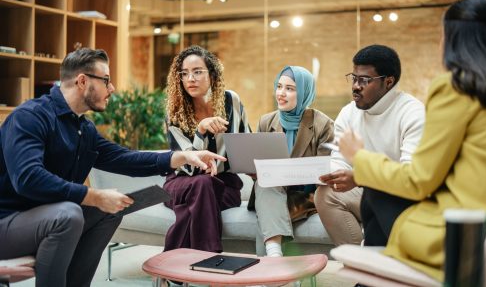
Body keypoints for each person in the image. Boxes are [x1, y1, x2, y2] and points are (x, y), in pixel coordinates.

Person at [338, 0, 486, 281]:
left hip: (468, 237)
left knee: (376, 190)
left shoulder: (455, 88)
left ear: (453, 40)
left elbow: (418, 181)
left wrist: (358, 157)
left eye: (442, 35)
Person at [0, 48, 225, 287]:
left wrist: (182, 157)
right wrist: (93, 195)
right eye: (106, 80)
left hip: (45, 217)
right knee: (69, 214)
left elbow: (124, 158)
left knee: (110, 210)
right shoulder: (30, 117)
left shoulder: (83, 129)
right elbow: (28, 178)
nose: (112, 88)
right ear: (82, 81)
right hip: (9, 222)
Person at [315, 45, 425, 246]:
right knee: (325, 194)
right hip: (366, 193)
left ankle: (380, 266)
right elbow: (340, 161)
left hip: (402, 198)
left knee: (377, 193)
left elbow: (410, 175)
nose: (356, 86)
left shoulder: (412, 112)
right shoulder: (348, 113)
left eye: (365, 80)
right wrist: (325, 175)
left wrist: (361, 178)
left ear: (388, 82)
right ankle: (360, 263)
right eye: (354, 78)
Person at [163, 45, 251, 253]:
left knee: (200, 193)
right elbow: (190, 169)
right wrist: (201, 131)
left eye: (197, 72)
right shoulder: (175, 113)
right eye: (184, 74)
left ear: (212, 75)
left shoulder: (231, 101)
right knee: (202, 182)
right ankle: (210, 259)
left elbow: (245, 146)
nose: (190, 79)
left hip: (224, 187)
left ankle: (173, 269)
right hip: (181, 184)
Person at [252, 66, 334, 257]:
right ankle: (278, 265)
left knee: (266, 217)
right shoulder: (266, 121)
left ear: (304, 92)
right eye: (279, 86)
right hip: (271, 190)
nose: (281, 93)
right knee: (266, 184)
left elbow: (325, 172)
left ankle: (269, 272)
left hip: (305, 194)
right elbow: (260, 163)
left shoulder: (323, 124)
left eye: (289, 88)